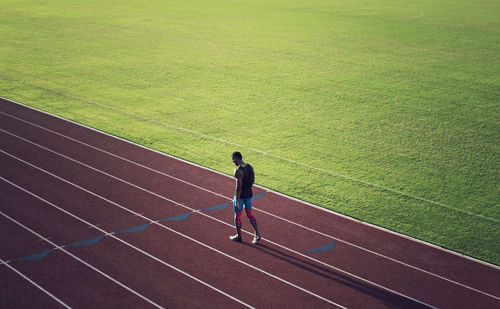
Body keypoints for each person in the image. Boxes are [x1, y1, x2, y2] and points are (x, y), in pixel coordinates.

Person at [229, 151, 261, 244]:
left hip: (241, 197)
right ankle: (257, 234)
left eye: (233, 160)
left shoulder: (238, 171)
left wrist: (236, 201)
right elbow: (253, 181)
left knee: (237, 217)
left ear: (236, 158)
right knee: (249, 214)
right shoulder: (250, 167)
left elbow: (238, 187)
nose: (233, 162)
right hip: (249, 195)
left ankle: (239, 236)